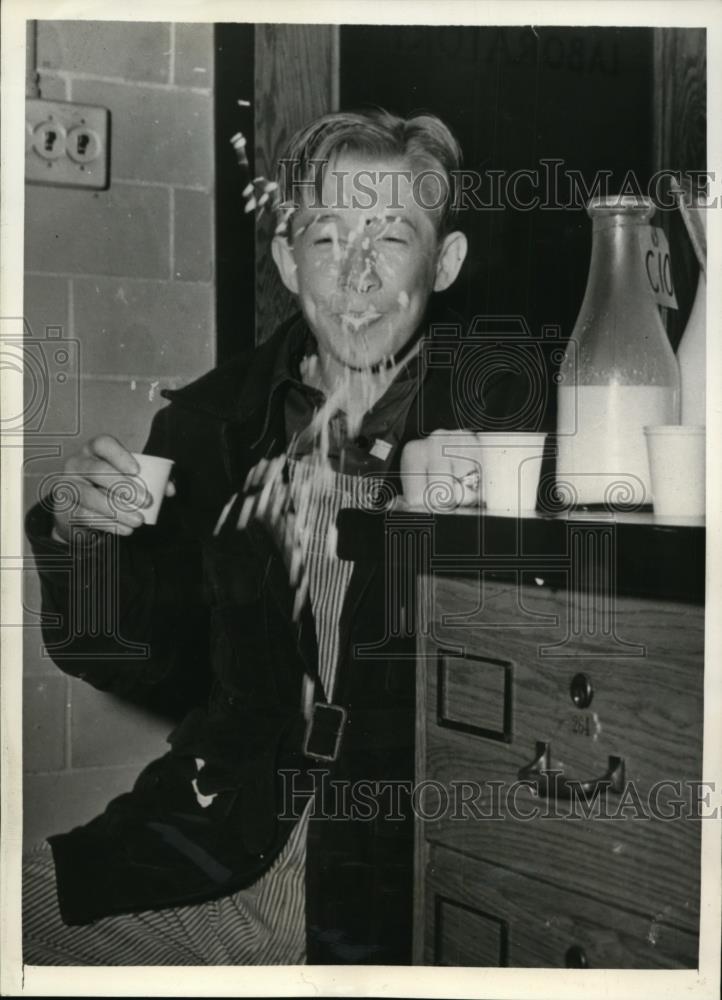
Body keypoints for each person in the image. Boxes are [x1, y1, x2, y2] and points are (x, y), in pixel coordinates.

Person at [23, 108, 527, 965]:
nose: (357, 275)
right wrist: (82, 539)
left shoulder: (514, 425)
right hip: (219, 826)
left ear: (444, 264)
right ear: (289, 260)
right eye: (328, 238)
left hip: (404, 854)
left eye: (391, 239)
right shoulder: (212, 420)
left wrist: (482, 521)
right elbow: (135, 656)